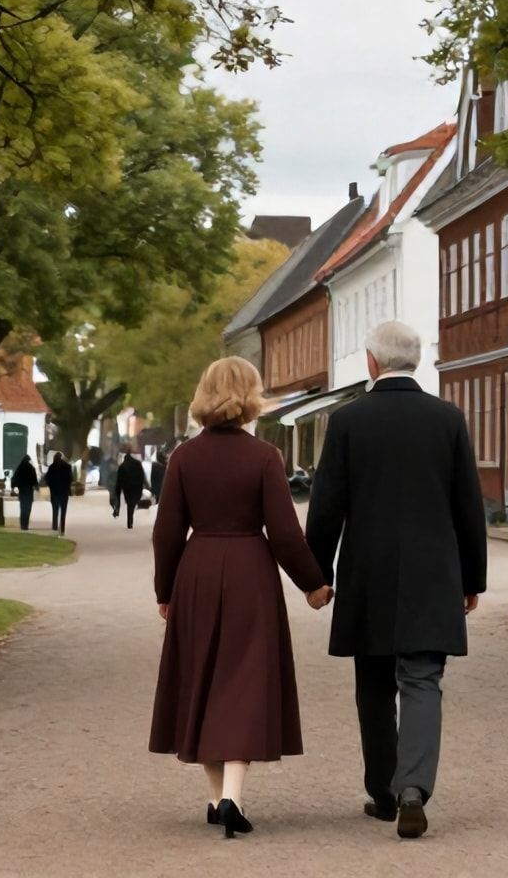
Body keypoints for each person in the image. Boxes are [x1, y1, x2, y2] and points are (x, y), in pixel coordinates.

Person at [305, 320, 488, 840]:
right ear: (418, 361)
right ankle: (414, 789)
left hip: (369, 573)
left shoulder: (348, 422)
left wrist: (315, 575)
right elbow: (468, 506)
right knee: (423, 681)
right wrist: (471, 578)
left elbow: (327, 506)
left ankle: (384, 793)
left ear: (371, 361)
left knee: (374, 685)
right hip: (434, 574)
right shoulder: (448, 419)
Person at [150, 357, 330, 839]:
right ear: (251, 396)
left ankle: (217, 799)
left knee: (202, 679)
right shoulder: (265, 457)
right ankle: (229, 796)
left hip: (198, 570)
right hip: (251, 572)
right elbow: (286, 534)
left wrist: (166, 590)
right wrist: (313, 584)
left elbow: (166, 533)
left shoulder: (184, 458)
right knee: (245, 682)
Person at [43, 453, 74, 534]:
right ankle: (62, 529)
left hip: (55, 493)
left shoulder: (52, 467)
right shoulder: (67, 467)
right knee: (63, 512)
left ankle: (55, 527)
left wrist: (51, 486)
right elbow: (71, 479)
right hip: (64, 493)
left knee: (55, 511)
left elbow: (47, 479)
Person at [117, 449, 147, 529]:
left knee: (130, 504)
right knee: (132, 504)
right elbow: (142, 475)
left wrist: (119, 490)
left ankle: (130, 521)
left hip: (127, 489)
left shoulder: (122, 466)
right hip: (136, 487)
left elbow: (119, 481)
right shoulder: (137, 464)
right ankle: (130, 520)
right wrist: (145, 484)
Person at [10, 455, 40, 531]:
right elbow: (34, 480)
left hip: (22, 491)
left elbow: (14, 478)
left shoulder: (20, 468)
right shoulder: (31, 468)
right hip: (29, 491)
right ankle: (26, 525)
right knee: (28, 508)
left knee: (23, 508)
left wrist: (13, 487)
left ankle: (22, 525)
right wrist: (37, 487)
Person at [99, 452, 120, 517]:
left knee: (115, 499)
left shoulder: (117, 467)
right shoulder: (109, 468)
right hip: (111, 485)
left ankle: (116, 510)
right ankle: (115, 509)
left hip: (115, 485)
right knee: (112, 500)